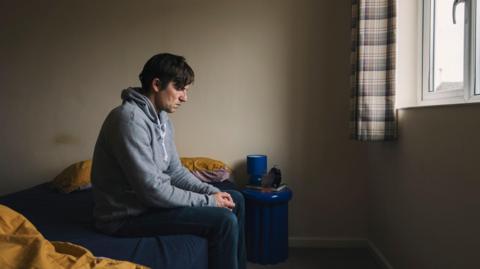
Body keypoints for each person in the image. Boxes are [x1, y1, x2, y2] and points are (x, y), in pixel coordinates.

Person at [91, 53, 246, 269]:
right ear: (156, 84)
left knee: (235, 198)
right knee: (223, 221)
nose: (185, 97)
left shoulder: (162, 119)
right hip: (125, 218)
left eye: (186, 90)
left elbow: (176, 172)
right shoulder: (128, 120)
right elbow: (152, 190)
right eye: (180, 88)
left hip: (149, 206)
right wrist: (210, 202)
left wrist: (211, 192)